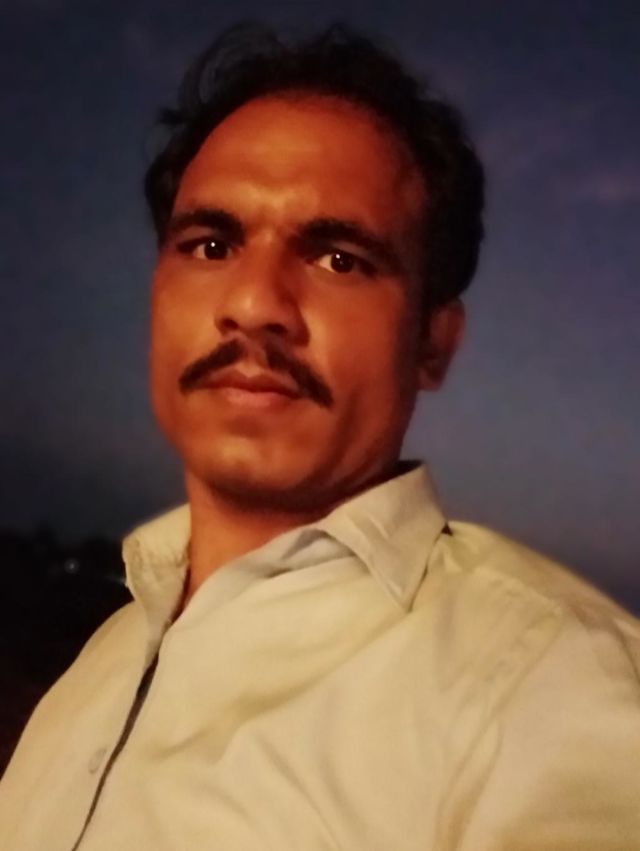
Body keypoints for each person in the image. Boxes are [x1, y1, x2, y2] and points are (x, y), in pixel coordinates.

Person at [1, 23, 639, 851]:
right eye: (212, 245)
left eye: (339, 258)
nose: (254, 303)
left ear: (433, 343)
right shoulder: (107, 657)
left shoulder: (548, 684)